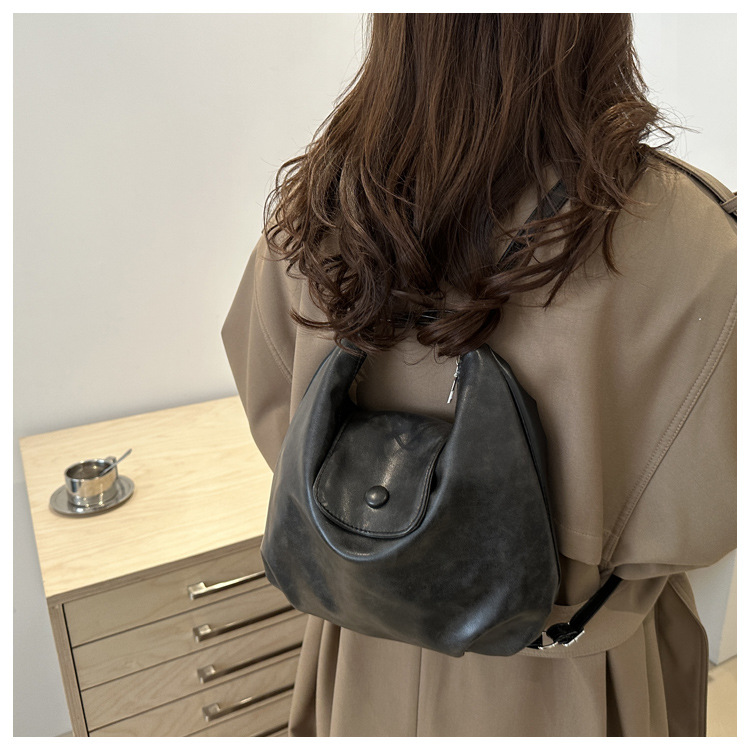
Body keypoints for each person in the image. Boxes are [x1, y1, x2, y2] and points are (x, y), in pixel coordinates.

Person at [221, 13, 736, 737]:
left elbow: (276, 415)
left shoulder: (317, 206)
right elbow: (708, 514)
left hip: (361, 645)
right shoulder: (695, 236)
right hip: (570, 678)